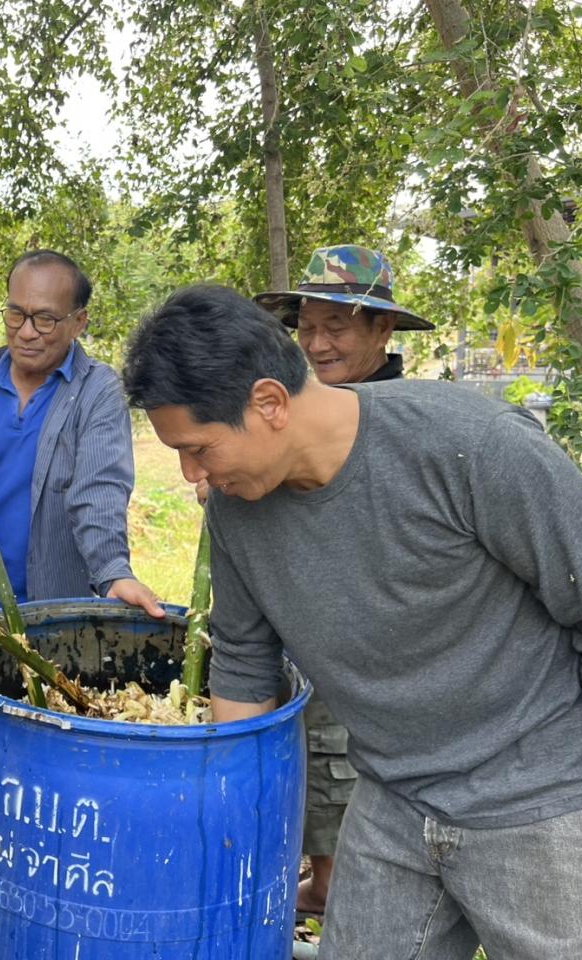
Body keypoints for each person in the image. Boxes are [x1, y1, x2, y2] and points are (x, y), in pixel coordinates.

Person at [122, 284, 582, 959]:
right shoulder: (236, 510)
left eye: (199, 448)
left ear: (270, 402)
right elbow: (244, 660)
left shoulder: (470, 446)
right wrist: (227, 825)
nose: (191, 474)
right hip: (391, 800)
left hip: (543, 803)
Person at [252, 243, 435, 917]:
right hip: (307, 622)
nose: (318, 343)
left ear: (383, 330)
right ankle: (329, 884)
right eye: (307, 327)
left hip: (375, 633)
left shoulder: (403, 415)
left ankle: (339, 894)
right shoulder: (310, 405)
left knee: (342, 759)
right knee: (316, 754)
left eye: (337, 326)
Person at [0, 249, 162, 618]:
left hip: (59, 619)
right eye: (16, 314)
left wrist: (113, 572)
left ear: (79, 322)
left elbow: (98, 492)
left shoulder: (97, 391)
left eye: (45, 320)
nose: (27, 332)